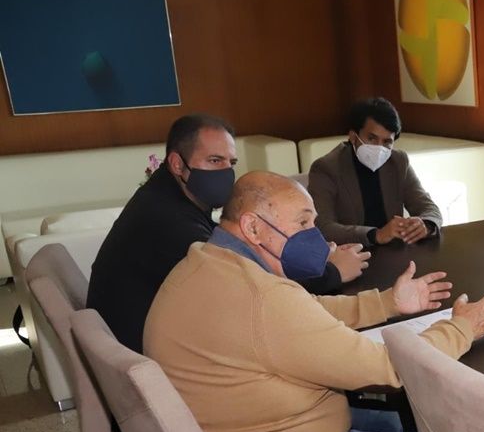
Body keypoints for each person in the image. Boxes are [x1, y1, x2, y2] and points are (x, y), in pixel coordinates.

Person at [144, 171, 484, 432]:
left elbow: (303, 312)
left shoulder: (212, 262)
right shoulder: (261, 298)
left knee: (393, 421)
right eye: (303, 223)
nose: (320, 238)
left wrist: (386, 304)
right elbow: (388, 369)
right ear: (254, 226)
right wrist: (461, 329)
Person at [87, 114, 368, 353]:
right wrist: (332, 272)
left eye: (230, 163)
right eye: (213, 160)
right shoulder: (168, 221)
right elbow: (251, 288)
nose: (225, 172)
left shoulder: (166, 197)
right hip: (158, 359)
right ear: (177, 164)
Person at [308, 97, 442, 247]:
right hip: (350, 256)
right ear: (353, 136)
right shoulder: (326, 168)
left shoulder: (398, 161)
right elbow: (322, 227)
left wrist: (426, 224)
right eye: (372, 138)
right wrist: (376, 235)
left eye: (387, 142)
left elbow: (428, 207)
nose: (379, 148)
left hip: (394, 252)